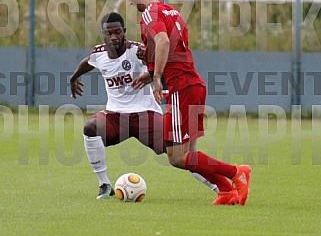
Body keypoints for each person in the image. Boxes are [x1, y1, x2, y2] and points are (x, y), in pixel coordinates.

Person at [115, 0, 252, 205]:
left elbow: (163, 41)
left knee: (177, 157)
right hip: (193, 84)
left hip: (181, 88)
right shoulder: (172, 11)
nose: (129, 2)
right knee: (190, 155)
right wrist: (151, 74)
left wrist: (157, 77)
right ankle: (226, 191)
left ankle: (236, 171)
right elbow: (175, 50)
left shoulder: (149, 13)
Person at [70, 12, 218, 199]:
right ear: (103, 34)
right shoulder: (99, 54)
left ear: (124, 31)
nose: (114, 37)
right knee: (90, 128)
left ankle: (217, 186)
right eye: (109, 33)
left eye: (117, 32)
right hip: (116, 116)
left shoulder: (138, 50)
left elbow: (164, 71)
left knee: (180, 153)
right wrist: (74, 77)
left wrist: (149, 62)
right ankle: (104, 185)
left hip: (145, 115)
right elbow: (87, 63)